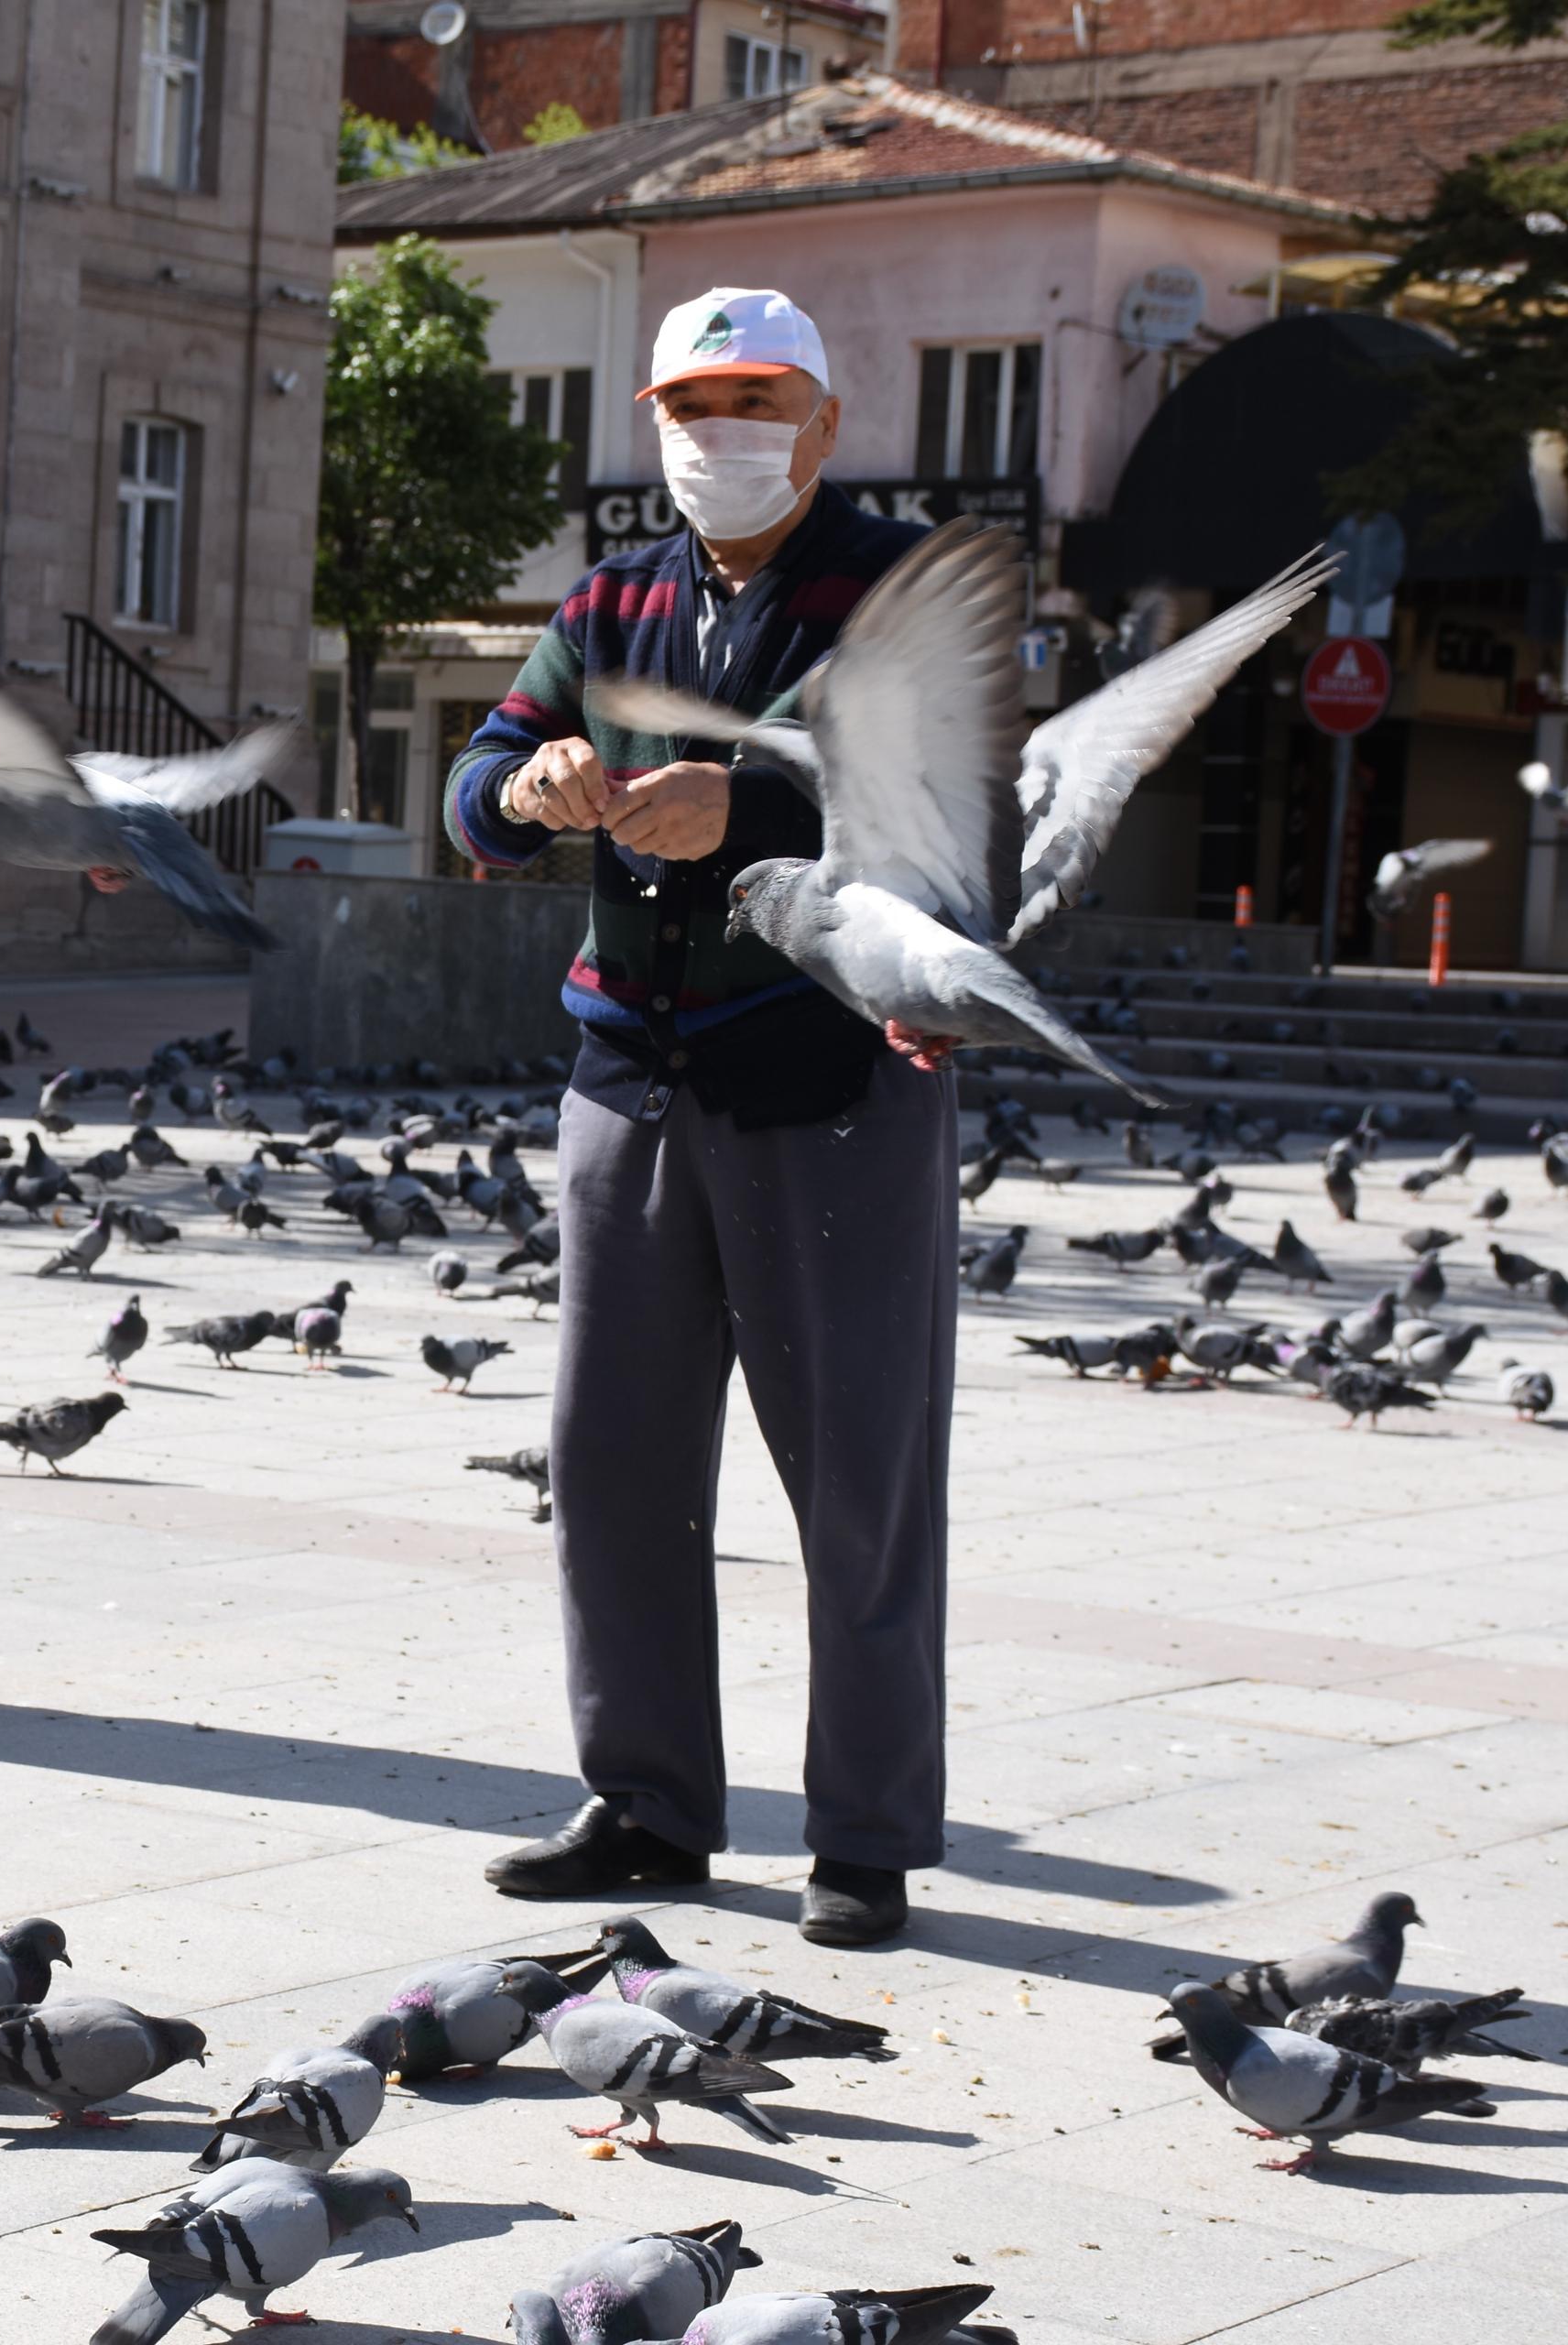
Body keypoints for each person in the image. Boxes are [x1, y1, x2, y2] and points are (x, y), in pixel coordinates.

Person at [441, 289, 959, 1947]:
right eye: (685, 404)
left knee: (858, 1468)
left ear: (820, 421)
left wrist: (759, 798)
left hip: (830, 1084)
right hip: (629, 1082)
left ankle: (865, 1838)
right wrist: (522, 791)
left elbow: (962, 799)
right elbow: (478, 781)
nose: (713, 434)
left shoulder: (889, 593)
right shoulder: (609, 599)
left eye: (751, 402)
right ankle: (649, 1803)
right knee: (615, 1464)